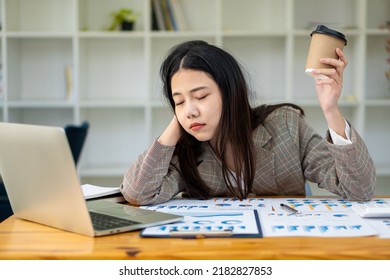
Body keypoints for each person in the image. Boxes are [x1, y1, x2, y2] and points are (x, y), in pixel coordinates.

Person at [121, 40, 375, 205]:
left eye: (200, 96)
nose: (190, 110)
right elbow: (138, 194)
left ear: (230, 92)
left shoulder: (285, 125)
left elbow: (359, 190)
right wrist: (179, 120)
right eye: (178, 101)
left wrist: (331, 110)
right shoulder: (187, 151)